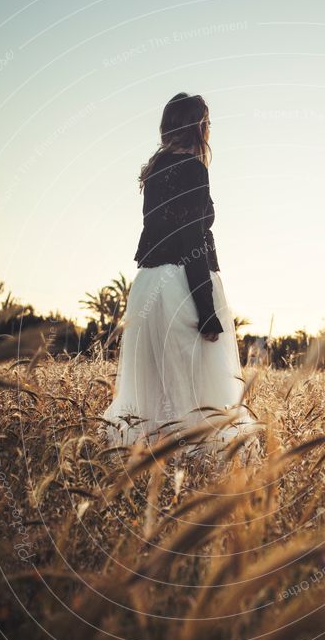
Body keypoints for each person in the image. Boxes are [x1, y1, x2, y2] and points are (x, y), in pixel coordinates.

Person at [102, 92, 254, 451]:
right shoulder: (194, 169)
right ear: (198, 127)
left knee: (154, 390)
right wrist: (206, 311)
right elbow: (191, 239)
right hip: (183, 286)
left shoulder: (154, 172)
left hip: (148, 285)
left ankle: (146, 461)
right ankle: (193, 469)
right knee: (198, 391)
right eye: (207, 123)